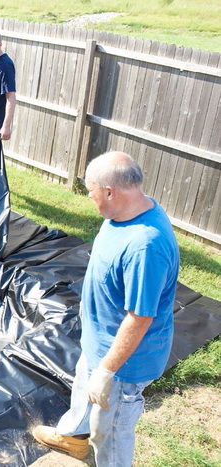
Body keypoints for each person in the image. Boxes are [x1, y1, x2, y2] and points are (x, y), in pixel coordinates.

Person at [31, 151, 179, 466]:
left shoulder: (145, 246)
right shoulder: (127, 210)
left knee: (109, 430)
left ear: (110, 192)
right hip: (101, 340)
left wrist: (108, 370)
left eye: (91, 191)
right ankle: (72, 438)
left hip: (125, 363)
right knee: (84, 387)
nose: (89, 198)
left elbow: (140, 319)